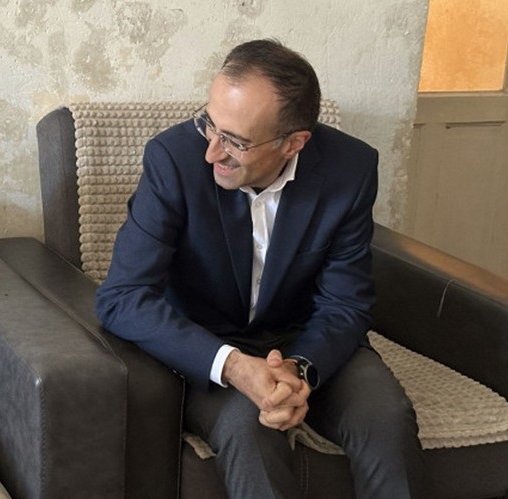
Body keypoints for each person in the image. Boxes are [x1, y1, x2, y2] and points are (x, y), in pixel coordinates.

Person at [95, 39, 426, 499]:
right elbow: (122, 296)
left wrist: (298, 369)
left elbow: (345, 302)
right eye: (209, 125)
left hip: (305, 337)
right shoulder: (173, 160)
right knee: (249, 425)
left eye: (235, 141)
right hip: (206, 344)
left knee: (385, 416)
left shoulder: (349, 168)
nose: (213, 152)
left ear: (294, 143)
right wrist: (234, 366)